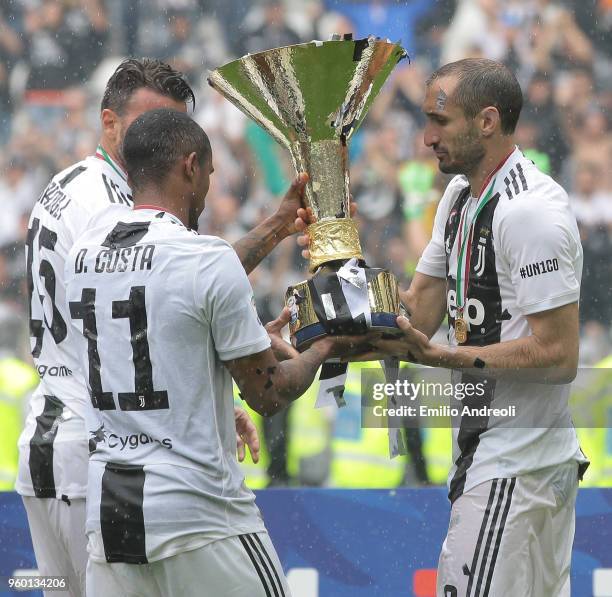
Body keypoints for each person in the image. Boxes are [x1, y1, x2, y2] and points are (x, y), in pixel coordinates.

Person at [297, 58, 588, 596]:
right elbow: (418, 315)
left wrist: (444, 357)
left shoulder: (529, 211)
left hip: (517, 464)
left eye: (440, 121)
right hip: (497, 462)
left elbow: (559, 354)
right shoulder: (458, 197)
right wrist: (335, 286)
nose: (426, 137)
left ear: (487, 121)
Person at [17, 58, 301, 597]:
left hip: (63, 444)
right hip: (102, 450)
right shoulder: (111, 203)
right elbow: (166, 289)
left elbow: (168, 293)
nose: (162, 139)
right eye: (150, 123)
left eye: (174, 125)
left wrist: (274, 227)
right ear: (109, 123)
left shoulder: (69, 184)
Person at [65, 108, 346, 596]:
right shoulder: (203, 258)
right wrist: (327, 342)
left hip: (111, 519)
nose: (210, 188)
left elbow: (170, 301)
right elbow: (269, 395)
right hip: (201, 516)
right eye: (211, 175)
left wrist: (278, 225)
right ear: (191, 166)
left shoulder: (84, 253)